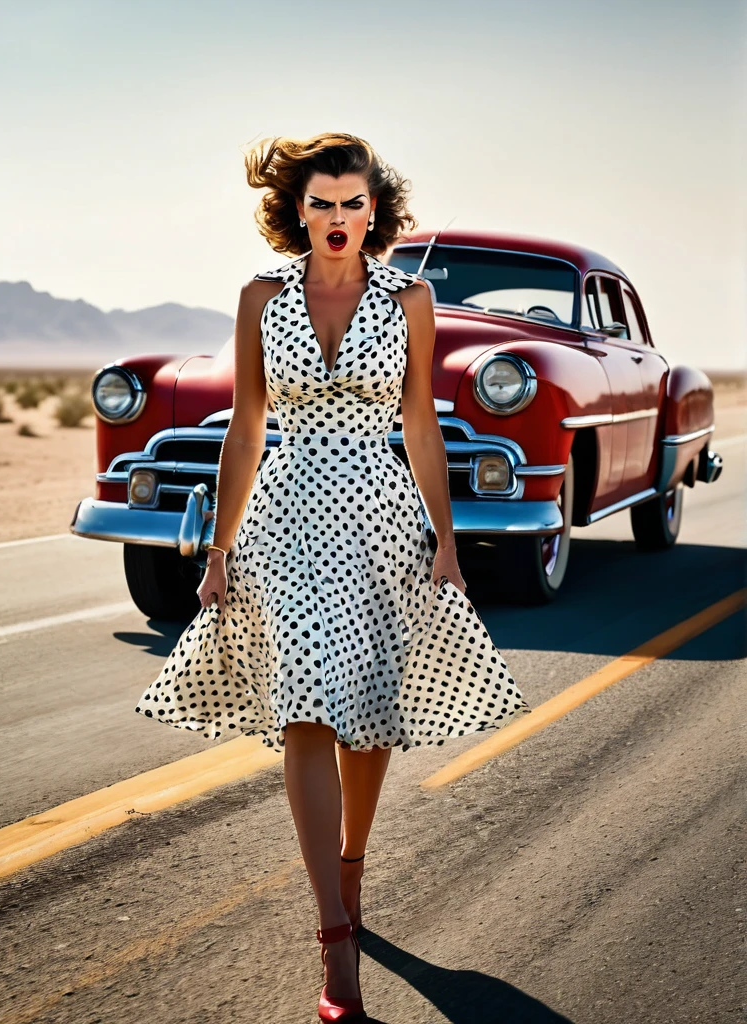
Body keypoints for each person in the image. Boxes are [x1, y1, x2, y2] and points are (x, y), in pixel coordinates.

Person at [135, 132, 532, 1021]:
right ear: (296, 210)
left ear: (373, 210)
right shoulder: (260, 297)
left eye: (354, 202)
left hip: (383, 520)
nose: (339, 218)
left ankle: (352, 864)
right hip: (287, 517)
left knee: (368, 716)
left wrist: (448, 538)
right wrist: (222, 549)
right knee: (306, 709)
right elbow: (245, 426)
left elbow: (422, 423)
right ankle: (335, 938)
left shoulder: (411, 297)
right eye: (322, 202)